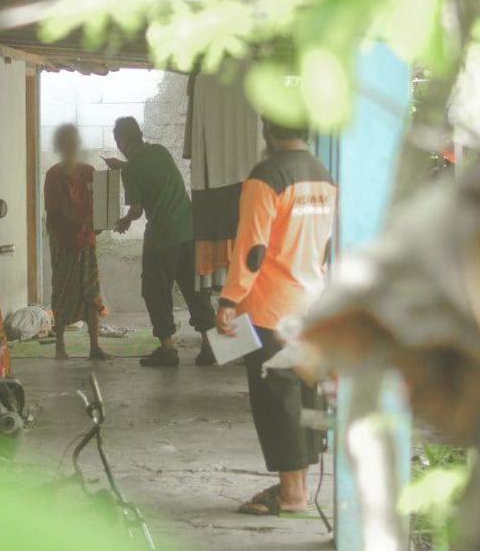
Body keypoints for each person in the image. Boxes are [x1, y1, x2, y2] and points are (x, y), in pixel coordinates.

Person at [216, 121, 336, 515]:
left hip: (270, 308)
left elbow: (253, 249)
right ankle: (297, 484)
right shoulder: (322, 174)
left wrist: (230, 298)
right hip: (311, 302)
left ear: (268, 131)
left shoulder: (266, 177)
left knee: (277, 400)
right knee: (305, 395)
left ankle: (291, 493)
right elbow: (326, 243)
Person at [105, 116, 215, 367]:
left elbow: (137, 210)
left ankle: (168, 349)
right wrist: (124, 166)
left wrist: (125, 221)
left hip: (163, 236)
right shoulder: (160, 151)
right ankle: (210, 346)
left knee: (155, 290)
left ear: (122, 141)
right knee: (195, 289)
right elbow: (148, 169)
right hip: (188, 230)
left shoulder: (131, 171)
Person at [43, 123, 110, 360]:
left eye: (75, 142)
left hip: (87, 240)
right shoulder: (54, 175)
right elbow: (60, 211)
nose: (72, 147)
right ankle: (60, 345)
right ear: (60, 146)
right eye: (67, 142)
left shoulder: (89, 172)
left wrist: (102, 222)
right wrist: (88, 222)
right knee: (63, 291)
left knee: (91, 292)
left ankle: (94, 345)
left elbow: (102, 201)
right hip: (63, 241)